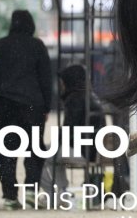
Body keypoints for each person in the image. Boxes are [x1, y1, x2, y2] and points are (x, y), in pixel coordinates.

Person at [0, 10, 52, 209]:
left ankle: (10, 195)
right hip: (32, 106)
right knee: (34, 149)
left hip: (6, 105)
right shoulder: (37, 46)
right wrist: (46, 107)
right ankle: (31, 190)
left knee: (6, 151)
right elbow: (46, 79)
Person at [40, 65, 106, 200]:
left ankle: (57, 194)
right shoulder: (93, 97)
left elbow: (68, 130)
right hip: (94, 152)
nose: (61, 85)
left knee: (38, 154)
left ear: (70, 80)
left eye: (63, 81)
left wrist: (56, 141)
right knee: (52, 155)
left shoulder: (75, 99)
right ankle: (62, 192)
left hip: (82, 152)